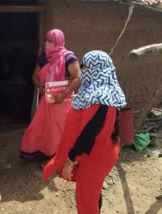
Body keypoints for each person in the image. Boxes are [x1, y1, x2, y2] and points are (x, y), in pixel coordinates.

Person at [43, 50, 127, 214]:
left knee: (85, 197)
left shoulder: (99, 98)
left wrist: (71, 160)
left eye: (86, 67)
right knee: (93, 193)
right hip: (102, 151)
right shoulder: (107, 92)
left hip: (95, 154)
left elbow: (89, 134)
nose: (83, 70)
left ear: (98, 69)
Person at [20, 29, 81, 161]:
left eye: (51, 41)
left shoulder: (69, 57)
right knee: (44, 126)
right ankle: (46, 153)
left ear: (59, 42)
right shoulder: (43, 57)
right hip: (47, 98)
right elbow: (35, 75)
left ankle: (61, 157)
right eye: (46, 40)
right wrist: (39, 87)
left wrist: (64, 94)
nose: (47, 43)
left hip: (63, 101)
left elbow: (77, 78)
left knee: (62, 128)